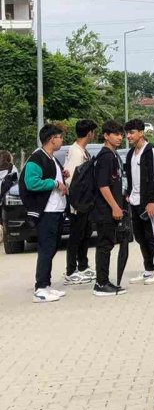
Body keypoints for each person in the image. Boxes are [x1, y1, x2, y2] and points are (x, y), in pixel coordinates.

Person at [21, 125, 69, 303]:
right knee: (46, 249)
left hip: (56, 210)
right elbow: (31, 183)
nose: (62, 140)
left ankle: (46, 285)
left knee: (53, 247)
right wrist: (54, 184)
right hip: (46, 211)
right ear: (51, 139)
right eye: (59, 137)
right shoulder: (37, 158)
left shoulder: (52, 159)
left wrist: (62, 175)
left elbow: (53, 177)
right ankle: (40, 288)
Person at [124, 119, 154, 284]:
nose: (128, 136)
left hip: (147, 202)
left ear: (141, 133)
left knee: (152, 235)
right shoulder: (130, 153)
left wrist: (152, 202)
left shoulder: (151, 151)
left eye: (132, 132)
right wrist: (128, 194)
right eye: (127, 133)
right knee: (140, 237)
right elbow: (129, 177)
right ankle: (149, 269)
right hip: (134, 201)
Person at [93, 120, 127, 297]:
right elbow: (103, 185)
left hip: (111, 209)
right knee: (104, 245)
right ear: (106, 136)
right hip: (105, 211)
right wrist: (114, 206)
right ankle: (101, 283)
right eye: (115, 134)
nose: (119, 137)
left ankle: (104, 281)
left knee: (108, 244)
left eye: (121, 134)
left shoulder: (112, 155)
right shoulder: (105, 156)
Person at [63, 119, 98, 285]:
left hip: (84, 201)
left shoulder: (82, 151)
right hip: (77, 202)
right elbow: (72, 179)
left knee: (85, 233)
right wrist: (76, 202)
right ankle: (71, 270)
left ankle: (83, 266)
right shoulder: (76, 152)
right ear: (89, 133)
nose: (94, 134)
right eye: (93, 132)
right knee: (76, 236)